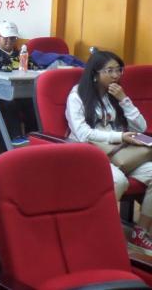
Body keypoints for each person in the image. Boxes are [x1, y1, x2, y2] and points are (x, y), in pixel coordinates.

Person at [66, 50, 152, 254]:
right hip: (88, 153)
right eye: (110, 71)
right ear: (95, 73)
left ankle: (141, 232)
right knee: (118, 181)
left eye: (118, 70)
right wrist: (119, 137)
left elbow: (141, 127)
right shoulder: (77, 95)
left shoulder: (115, 95)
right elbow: (83, 133)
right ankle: (98, 232)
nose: (115, 75)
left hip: (119, 154)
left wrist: (124, 100)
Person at [0, 21, 38, 133]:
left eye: (12, 38)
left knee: (33, 102)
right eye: (6, 38)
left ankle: (33, 135)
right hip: (3, 92)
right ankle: (16, 137)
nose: (9, 41)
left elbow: (34, 68)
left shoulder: (22, 54)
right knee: (10, 104)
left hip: (24, 89)